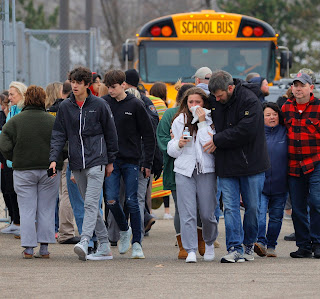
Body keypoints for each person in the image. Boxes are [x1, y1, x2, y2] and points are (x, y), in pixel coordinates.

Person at [49, 66, 118, 261]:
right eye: (73, 82)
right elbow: (58, 135)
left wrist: (110, 161)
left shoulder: (99, 105)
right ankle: (104, 245)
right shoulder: (65, 106)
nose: (75, 86)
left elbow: (111, 134)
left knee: (90, 203)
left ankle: (85, 240)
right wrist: (53, 159)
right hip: (76, 163)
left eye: (79, 82)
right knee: (91, 206)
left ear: (87, 84)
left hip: (97, 161)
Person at [207, 70, 270, 263]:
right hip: (226, 163)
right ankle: (234, 247)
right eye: (214, 96)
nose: (217, 99)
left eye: (220, 95)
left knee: (252, 207)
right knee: (230, 208)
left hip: (251, 163)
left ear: (230, 88)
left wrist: (218, 139)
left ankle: (249, 244)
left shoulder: (250, 100)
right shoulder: (215, 99)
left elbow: (246, 131)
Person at [0, 85, 64, 258]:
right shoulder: (52, 121)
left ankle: (28, 248)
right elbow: (64, 145)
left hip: (23, 169)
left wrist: (14, 158)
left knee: (27, 209)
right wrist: (56, 161)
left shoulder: (15, 121)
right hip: (49, 170)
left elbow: (4, 144)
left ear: (26, 99)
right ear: (43, 100)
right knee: (46, 208)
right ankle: (44, 248)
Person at [103, 69, 156, 259]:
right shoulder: (104, 103)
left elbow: (149, 135)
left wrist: (147, 161)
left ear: (123, 85)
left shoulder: (135, 104)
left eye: (114, 87)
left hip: (132, 160)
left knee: (133, 201)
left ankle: (137, 243)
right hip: (111, 161)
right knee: (111, 199)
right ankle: (124, 229)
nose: (110, 90)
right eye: (108, 87)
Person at [167, 87, 218, 263]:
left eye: (198, 102)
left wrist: (202, 122)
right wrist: (179, 144)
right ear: (185, 103)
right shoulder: (179, 120)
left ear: (204, 103)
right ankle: (190, 250)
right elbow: (171, 150)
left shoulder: (211, 120)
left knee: (206, 212)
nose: (194, 106)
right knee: (187, 212)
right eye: (191, 102)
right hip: (184, 170)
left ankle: (209, 242)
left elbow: (207, 145)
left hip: (206, 170)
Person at [281, 72, 320, 259]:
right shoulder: (285, 108)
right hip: (293, 164)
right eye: (295, 85)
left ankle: (318, 243)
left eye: (302, 85)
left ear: (311, 88)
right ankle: (304, 245)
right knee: (297, 207)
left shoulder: (319, 107)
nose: (298, 88)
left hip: (316, 162)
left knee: (317, 203)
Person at [156, 80, 195, 259]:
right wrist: (176, 146)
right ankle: (189, 244)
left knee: (181, 208)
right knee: (194, 208)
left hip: (175, 166)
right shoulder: (172, 114)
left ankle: (185, 246)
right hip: (180, 167)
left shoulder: (171, 114)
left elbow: (162, 139)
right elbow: (164, 139)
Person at [46, 81, 80, 245]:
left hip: (51, 157)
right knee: (67, 194)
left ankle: (51, 229)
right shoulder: (66, 108)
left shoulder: (46, 111)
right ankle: (65, 231)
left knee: (51, 195)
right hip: (66, 155)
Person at [254, 102, 288, 258]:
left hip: (281, 184)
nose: (272, 117)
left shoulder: (285, 132)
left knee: (276, 217)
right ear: (261, 117)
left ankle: (272, 245)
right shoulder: (256, 133)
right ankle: (260, 242)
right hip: (260, 184)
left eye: (274, 114)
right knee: (260, 215)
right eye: (268, 115)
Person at [0, 81, 28, 237]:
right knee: (11, 190)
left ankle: (23, 224)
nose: (9, 97)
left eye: (12, 94)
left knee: (21, 194)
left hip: (21, 160)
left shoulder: (23, 112)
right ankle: (17, 222)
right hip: (10, 159)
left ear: (21, 94)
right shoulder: (12, 111)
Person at [149, 82, 172, 220]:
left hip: (150, 145)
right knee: (164, 180)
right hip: (163, 145)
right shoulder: (164, 106)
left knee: (150, 181)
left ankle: (150, 209)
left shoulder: (147, 102)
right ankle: (167, 211)